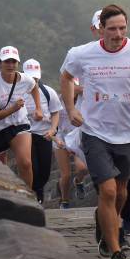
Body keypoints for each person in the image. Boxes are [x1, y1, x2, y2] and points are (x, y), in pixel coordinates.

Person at [60, 4, 130, 259]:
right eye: (112, 29)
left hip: (128, 134)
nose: (118, 34)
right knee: (107, 191)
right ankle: (116, 251)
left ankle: (104, 221)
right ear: (101, 30)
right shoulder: (82, 53)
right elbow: (66, 75)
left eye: (122, 28)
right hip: (95, 132)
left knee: (120, 193)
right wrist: (72, 109)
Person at [0, 46, 43, 187]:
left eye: (13, 62)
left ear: (18, 64)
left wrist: (39, 108)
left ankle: (28, 199)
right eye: (6, 61)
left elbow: (34, 87)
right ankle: (3, 197)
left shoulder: (25, 79)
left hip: (18, 124)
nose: (10, 65)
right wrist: (14, 108)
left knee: (26, 163)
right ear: (0, 63)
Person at [23, 59, 63, 204]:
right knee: (32, 166)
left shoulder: (48, 92)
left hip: (44, 135)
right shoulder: (18, 92)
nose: (33, 80)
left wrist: (53, 130)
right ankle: (36, 196)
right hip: (25, 135)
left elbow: (55, 113)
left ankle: (38, 192)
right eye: (30, 77)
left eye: (35, 77)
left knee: (45, 170)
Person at [53, 79, 89, 209]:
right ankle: (65, 201)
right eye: (71, 86)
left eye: (75, 86)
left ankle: (78, 181)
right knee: (66, 174)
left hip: (76, 138)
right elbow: (52, 124)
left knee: (83, 168)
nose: (73, 89)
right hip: (60, 138)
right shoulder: (57, 100)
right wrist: (57, 139)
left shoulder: (83, 100)